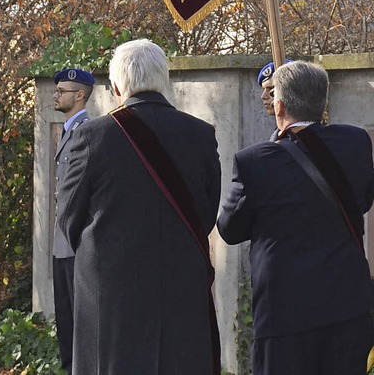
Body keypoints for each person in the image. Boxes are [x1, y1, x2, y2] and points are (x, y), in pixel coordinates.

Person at [58, 39, 221, 375]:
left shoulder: (92, 137)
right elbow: (205, 214)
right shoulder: (201, 135)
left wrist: (102, 255)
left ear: (117, 86)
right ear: (164, 81)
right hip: (181, 288)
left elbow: (69, 218)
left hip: (111, 296)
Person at [217, 60, 374, 375]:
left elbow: (229, 228)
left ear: (279, 106)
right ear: (323, 103)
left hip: (283, 310)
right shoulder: (356, 142)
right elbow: (363, 199)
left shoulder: (253, 162)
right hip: (346, 301)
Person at [51, 67, 95, 375]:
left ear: (80, 95)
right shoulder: (68, 130)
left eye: (62, 91)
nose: (56, 95)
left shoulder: (87, 132)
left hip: (77, 245)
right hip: (61, 243)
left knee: (80, 325)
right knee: (65, 322)